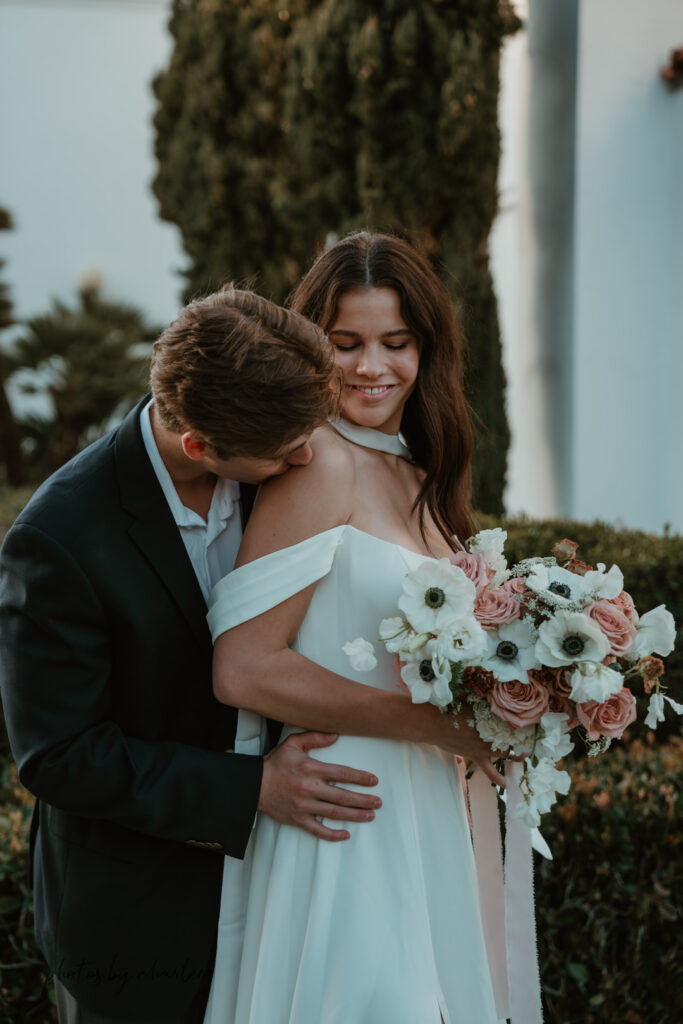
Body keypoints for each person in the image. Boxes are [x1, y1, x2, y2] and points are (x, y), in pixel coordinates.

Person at [0, 287, 388, 1024]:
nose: (309, 456)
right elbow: (59, 756)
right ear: (200, 447)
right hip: (137, 926)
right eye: (285, 452)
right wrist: (251, 789)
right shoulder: (58, 540)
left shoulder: (267, 458)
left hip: (284, 900)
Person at [203, 234, 503, 1023]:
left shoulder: (417, 466)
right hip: (348, 806)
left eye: (395, 343)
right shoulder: (319, 462)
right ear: (314, 346)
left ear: (424, 350)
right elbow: (243, 667)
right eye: (347, 343)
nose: (372, 367)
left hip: (423, 802)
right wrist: (431, 723)